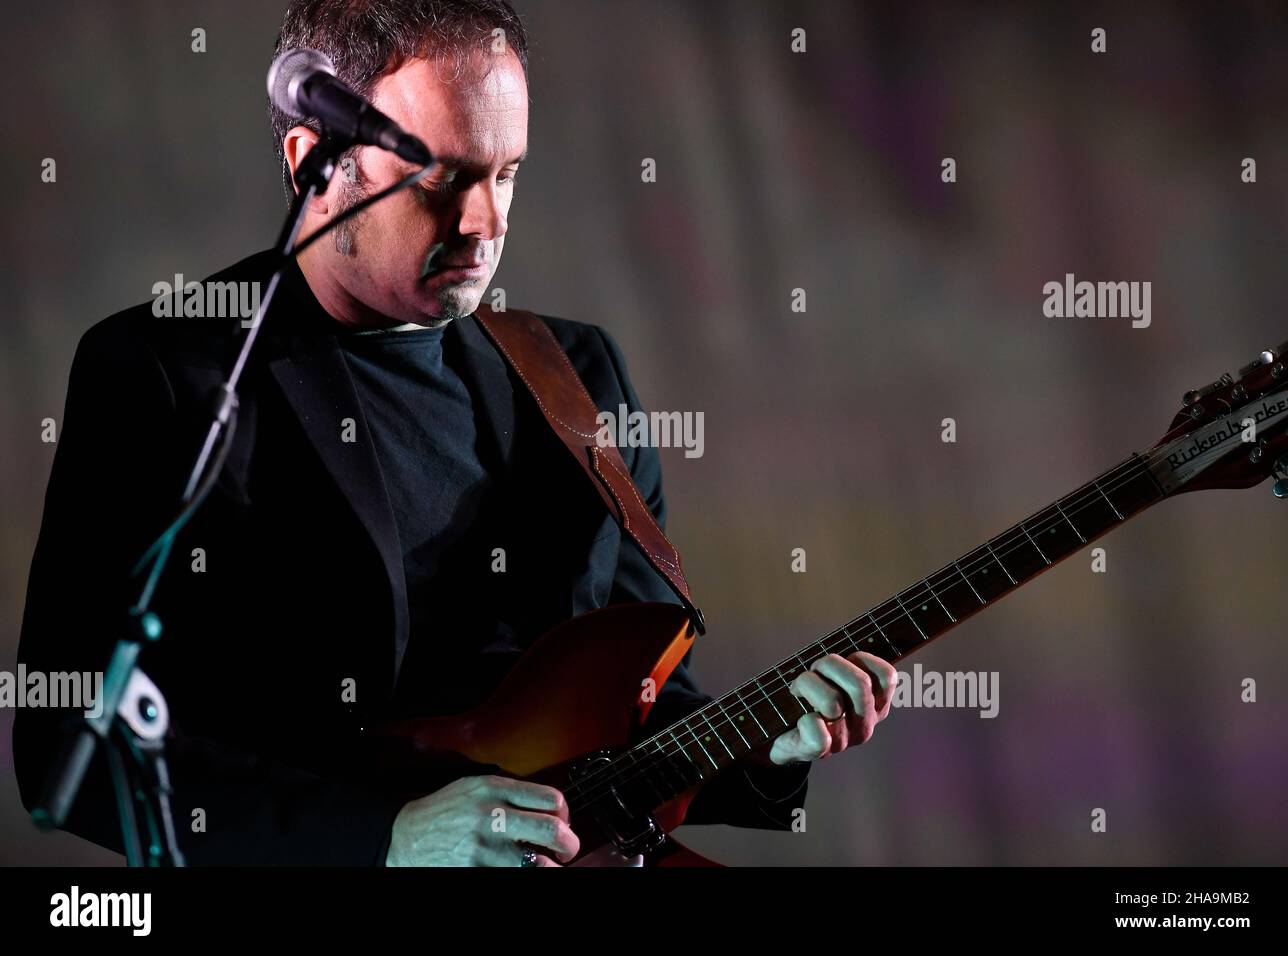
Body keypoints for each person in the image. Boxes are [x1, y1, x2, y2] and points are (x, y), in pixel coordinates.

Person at [15, 0, 897, 867]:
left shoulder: (578, 376)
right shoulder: (170, 372)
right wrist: (381, 841)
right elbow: (68, 750)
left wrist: (770, 752)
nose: (486, 221)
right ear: (313, 162)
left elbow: (633, 713)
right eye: (441, 178)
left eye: (506, 173)